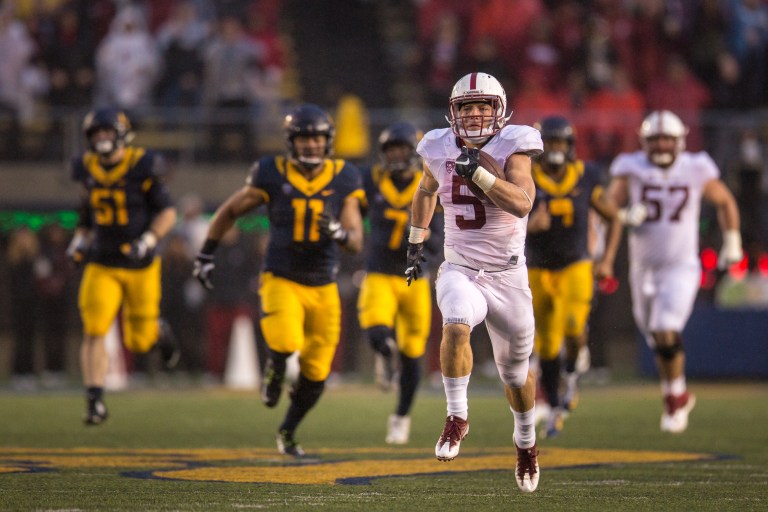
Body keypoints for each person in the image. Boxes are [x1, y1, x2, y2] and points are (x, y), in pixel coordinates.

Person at [193, 103, 365, 457]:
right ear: (291, 142)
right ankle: (274, 368)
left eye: (317, 139)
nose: (311, 146)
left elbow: (356, 239)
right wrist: (206, 252)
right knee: (285, 342)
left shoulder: (345, 175)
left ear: (328, 141)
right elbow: (229, 210)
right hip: (281, 277)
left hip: (324, 284)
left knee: (316, 374)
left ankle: (288, 429)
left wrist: (338, 232)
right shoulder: (271, 172)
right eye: (303, 139)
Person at [407, 72, 542, 492]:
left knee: (516, 377)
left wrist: (480, 175)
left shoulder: (515, 145)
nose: (476, 114)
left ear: (499, 110)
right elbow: (426, 190)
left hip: (508, 277)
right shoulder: (436, 145)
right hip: (461, 267)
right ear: (454, 112)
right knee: (456, 323)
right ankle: (456, 416)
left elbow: (522, 204)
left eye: (484, 106)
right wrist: (415, 241)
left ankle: (525, 443)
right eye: (467, 107)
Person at [603, 110, 743, 434]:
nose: (662, 145)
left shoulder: (695, 168)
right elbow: (607, 206)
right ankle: (675, 394)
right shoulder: (632, 167)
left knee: (665, 328)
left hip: (681, 266)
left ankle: (675, 395)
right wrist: (624, 215)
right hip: (643, 269)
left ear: (679, 141)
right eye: (655, 139)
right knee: (656, 336)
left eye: (667, 138)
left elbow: (724, 201)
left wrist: (732, 241)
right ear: (644, 142)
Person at [68, 106, 179, 425]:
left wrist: (146, 241)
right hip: (102, 262)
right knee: (94, 329)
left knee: (139, 341)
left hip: (140, 265)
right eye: (96, 133)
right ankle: (94, 400)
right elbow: (86, 215)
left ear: (121, 134)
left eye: (107, 132)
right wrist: (78, 243)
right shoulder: (86, 168)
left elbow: (167, 212)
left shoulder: (142, 165)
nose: (102, 138)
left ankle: (159, 330)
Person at [526, 116, 620, 438]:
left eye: (559, 143)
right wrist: (527, 225)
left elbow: (614, 217)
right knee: (547, 344)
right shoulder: (525, 176)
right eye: (548, 143)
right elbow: (501, 222)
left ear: (570, 146)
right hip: (538, 267)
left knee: (572, 326)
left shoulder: (587, 175)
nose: (554, 150)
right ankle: (555, 405)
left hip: (576, 264)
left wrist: (606, 258)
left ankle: (573, 369)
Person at [357, 121, 442, 445]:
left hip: (414, 277)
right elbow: (351, 205)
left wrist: (431, 244)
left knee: (412, 352)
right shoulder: (371, 179)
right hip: (379, 270)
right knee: (377, 331)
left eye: (401, 149)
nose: (395, 156)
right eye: (390, 150)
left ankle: (401, 416)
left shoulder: (429, 181)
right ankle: (383, 352)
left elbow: (443, 229)